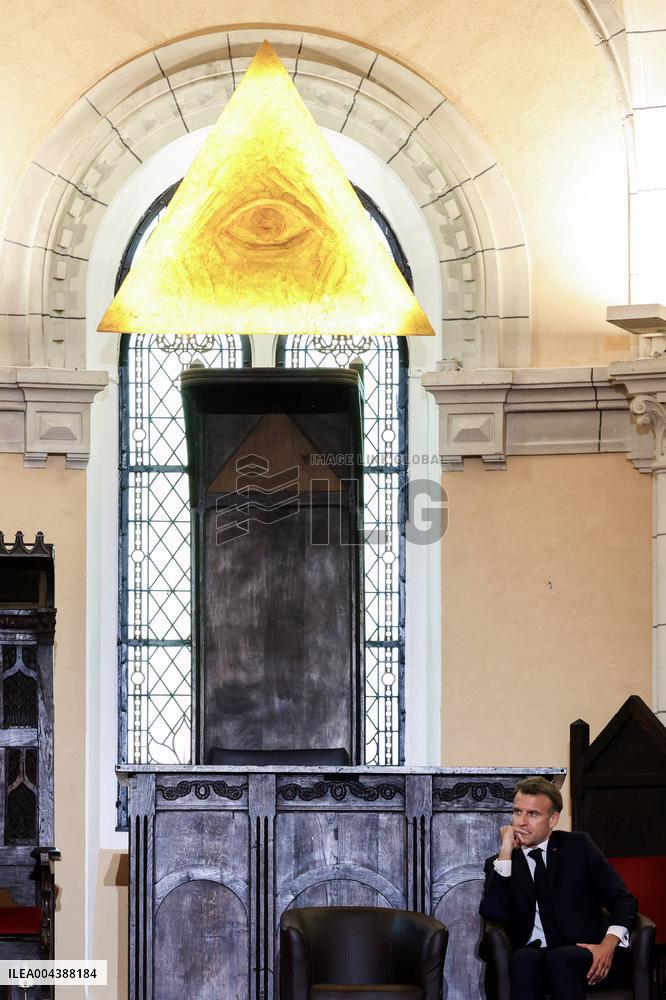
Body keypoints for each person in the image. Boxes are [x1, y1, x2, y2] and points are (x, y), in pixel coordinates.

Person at [479, 776, 637, 1000]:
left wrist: (608, 944)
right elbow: (493, 913)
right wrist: (506, 851)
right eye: (517, 812)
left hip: (584, 951)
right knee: (523, 959)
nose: (521, 822)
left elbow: (623, 901)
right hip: (533, 956)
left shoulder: (578, 847)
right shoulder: (503, 863)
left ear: (553, 820)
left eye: (532, 814)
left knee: (561, 958)